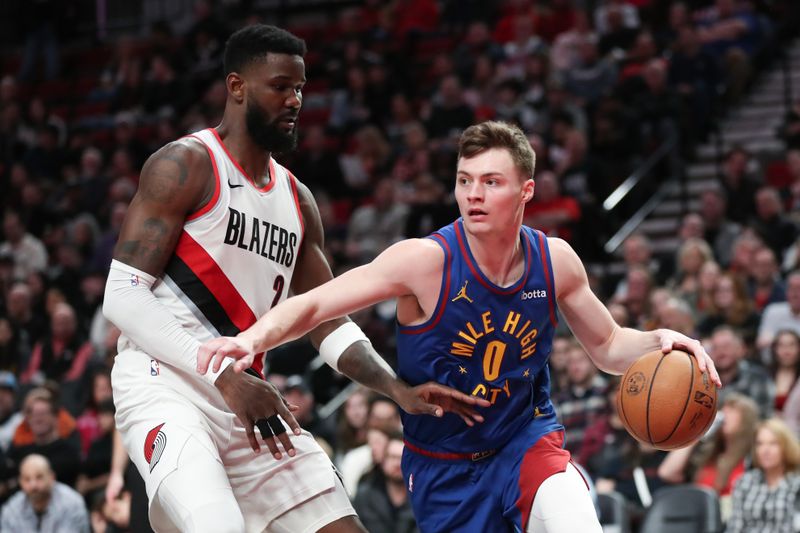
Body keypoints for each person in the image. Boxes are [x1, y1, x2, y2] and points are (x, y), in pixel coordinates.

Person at [198, 120, 721, 532]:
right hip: (443, 466)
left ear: (526, 191)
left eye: (491, 182)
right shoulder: (424, 262)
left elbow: (607, 345)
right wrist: (249, 341)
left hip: (525, 441)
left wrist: (658, 341)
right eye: (464, 181)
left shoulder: (555, 260)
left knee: (575, 521)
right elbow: (314, 305)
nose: (473, 194)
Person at [101, 23, 484, 533]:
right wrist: (224, 376)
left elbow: (328, 322)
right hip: (165, 382)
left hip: (245, 396)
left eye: (300, 88)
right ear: (236, 87)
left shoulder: (298, 201)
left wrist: (396, 388)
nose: (295, 100)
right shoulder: (187, 164)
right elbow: (122, 295)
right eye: (280, 86)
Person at [727, 418, 800, 533]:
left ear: (786, 447)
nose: (765, 450)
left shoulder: (796, 484)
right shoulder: (744, 482)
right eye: (760, 444)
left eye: (773, 443)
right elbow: (735, 526)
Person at [0, 454, 89, 533]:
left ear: (52, 477)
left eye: (39, 477)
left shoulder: (72, 503)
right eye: (27, 479)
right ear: (20, 482)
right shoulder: (11, 509)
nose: (33, 485)